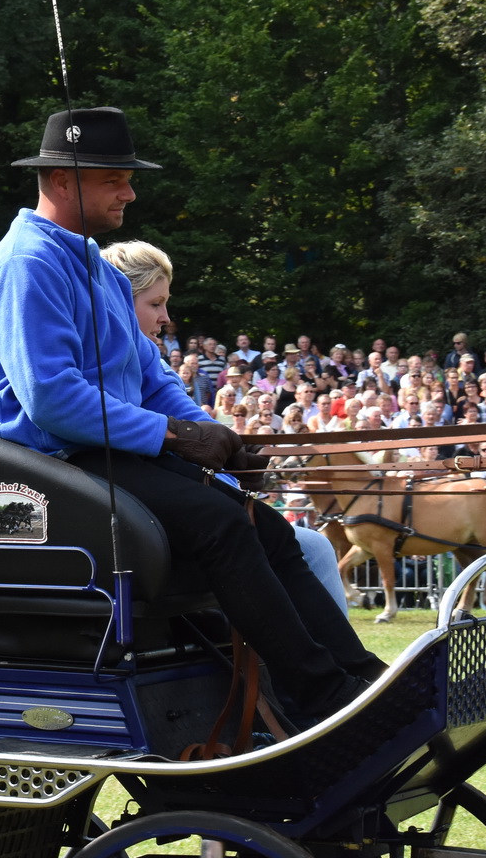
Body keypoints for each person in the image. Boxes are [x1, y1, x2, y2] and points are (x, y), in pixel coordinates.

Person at [0, 106, 380, 726]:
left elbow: (149, 378)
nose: (129, 192)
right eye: (114, 179)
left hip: (98, 459)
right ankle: (323, 697)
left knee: (260, 525)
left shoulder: (92, 265)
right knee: (221, 526)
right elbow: (51, 398)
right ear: (60, 180)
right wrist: (174, 436)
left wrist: (217, 439)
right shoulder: (28, 264)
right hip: (38, 471)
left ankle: (362, 680)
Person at [101, 239, 350, 614]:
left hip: (147, 509)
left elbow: (184, 411)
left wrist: (233, 450)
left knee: (312, 545)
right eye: (155, 304)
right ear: (119, 302)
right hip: (130, 515)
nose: (166, 317)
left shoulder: (147, 355)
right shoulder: (104, 358)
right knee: (308, 547)